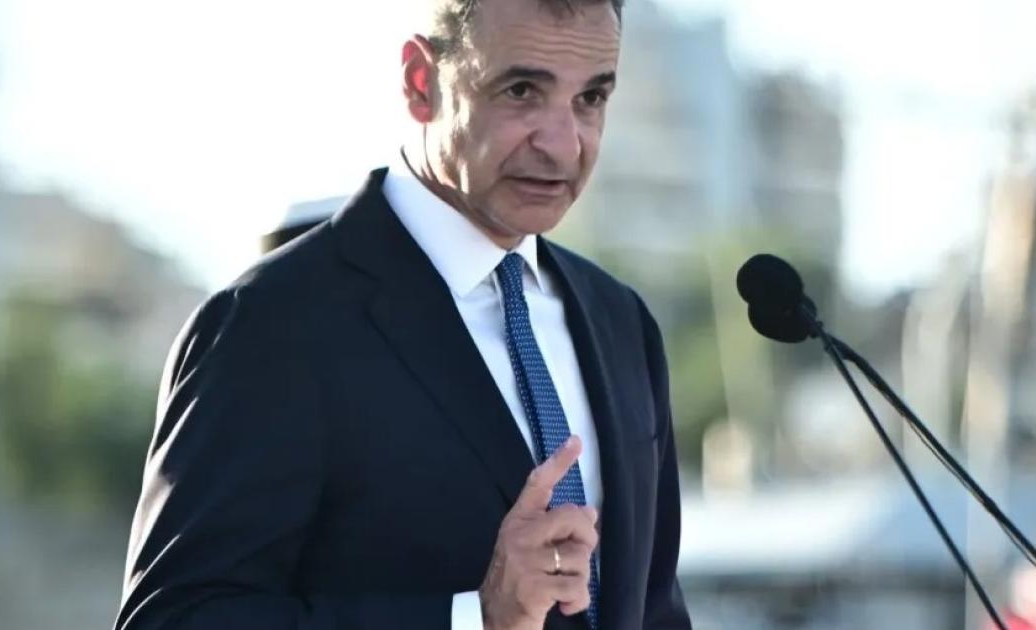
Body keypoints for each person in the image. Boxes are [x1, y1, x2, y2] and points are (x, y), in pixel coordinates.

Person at [115, 1, 691, 629]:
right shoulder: (271, 324)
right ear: (421, 83)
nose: (562, 144)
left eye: (591, 99)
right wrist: (473, 619)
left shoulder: (621, 324)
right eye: (522, 91)